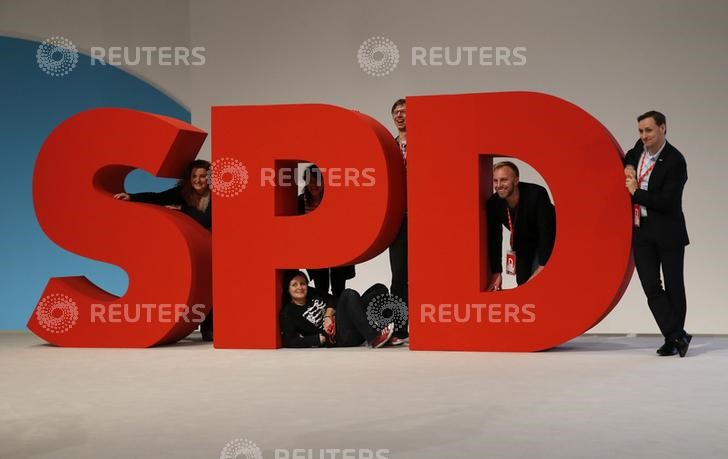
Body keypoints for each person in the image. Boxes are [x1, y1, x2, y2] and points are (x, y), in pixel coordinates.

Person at [114, 159, 214, 341]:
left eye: (202, 176)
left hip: (213, 250)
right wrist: (132, 197)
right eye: (194, 176)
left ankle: (210, 327)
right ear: (189, 179)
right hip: (193, 251)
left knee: (212, 285)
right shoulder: (182, 194)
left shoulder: (219, 196)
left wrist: (182, 212)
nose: (198, 180)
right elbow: (157, 197)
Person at [624, 111, 691, 357]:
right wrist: (629, 166)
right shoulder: (639, 149)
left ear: (663, 128)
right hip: (641, 230)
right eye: (641, 131)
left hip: (668, 232)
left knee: (674, 287)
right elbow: (630, 155)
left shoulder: (675, 161)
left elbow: (667, 202)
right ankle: (676, 335)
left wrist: (635, 192)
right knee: (650, 285)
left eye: (649, 130)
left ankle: (672, 338)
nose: (644, 136)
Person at [279, 270, 394, 348]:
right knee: (348, 294)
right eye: (294, 285)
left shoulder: (311, 293)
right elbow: (289, 341)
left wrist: (328, 315)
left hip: (347, 324)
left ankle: (384, 333)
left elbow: (333, 299)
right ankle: (373, 338)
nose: (300, 287)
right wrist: (319, 339)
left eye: (302, 283)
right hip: (340, 337)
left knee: (379, 289)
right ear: (287, 289)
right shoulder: (288, 312)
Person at [486, 161, 555, 290]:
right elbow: (494, 238)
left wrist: (544, 266)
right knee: (524, 285)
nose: (499, 185)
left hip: (549, 238)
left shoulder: (537, 194)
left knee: (541, 283)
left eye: (504, 180)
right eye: (496, 181)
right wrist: (497, 272)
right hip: (523, 241)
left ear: (516, 181)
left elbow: (547, 232)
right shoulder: (493, 204)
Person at [298, 165, 355, 299]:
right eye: (309, 181)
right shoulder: (300, 201)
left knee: (338, 287)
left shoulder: (335, 199)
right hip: (315, 250)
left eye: (316, 180)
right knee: (320, 287)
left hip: (337, 248)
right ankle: (324, 316)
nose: (313, 185)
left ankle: (340, 316)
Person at [386, 98, 409, 345]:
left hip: (423, 217)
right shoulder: (389, 146)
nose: (400, 115)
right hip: (398, 218)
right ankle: (401, 329)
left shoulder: (426, 142)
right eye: (396, 112)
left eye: (404, 111)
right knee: (399, 274)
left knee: (425, 272)